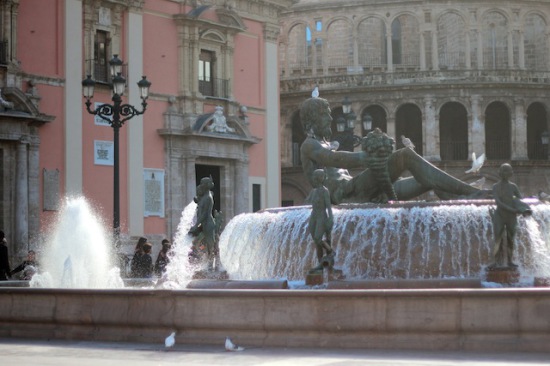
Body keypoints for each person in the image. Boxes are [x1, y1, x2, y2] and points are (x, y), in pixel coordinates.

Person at [299, 97, 488, 204]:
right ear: (313, 118)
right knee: (405, 156)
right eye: (325, 115)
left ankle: (463, 199)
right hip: (350, 193)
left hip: (367, 190)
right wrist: (367, 157)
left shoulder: (324, 141)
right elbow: (334, 159)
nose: (330, 119)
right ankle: (473, 192)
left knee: (426, 179)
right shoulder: (309, 145)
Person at [490, 163, 531, 268]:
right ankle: (495, 261)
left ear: (511, 173)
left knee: (510, 239)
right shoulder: (495, 186)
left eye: (508, 171)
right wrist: (513, 209)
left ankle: (509, 261)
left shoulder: (513, 186)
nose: (506, 173)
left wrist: (521, 207)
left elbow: (519, 199)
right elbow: (498, 202)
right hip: (500, 215)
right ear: (500, 173)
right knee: (497, 238)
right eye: (504, 170)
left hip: (511, 217)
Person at [188, 176, 220, 271]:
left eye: (202, 184)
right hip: (204, 224)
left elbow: (205, 214)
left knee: (211, 245)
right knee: (203, 244)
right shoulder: (204, 197)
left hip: (208, 224)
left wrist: (196, 225)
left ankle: (211, 266)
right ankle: (207, 264)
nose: (201, 185)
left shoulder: (208, 198)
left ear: (206, 185)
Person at [308, 169, 335, 268]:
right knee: (316, 241)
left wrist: (331, 218)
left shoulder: (325, 191)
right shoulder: (314, 191)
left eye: (315, 177)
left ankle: (331, 251)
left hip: (321, 216)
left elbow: (328, 206)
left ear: (320, 178)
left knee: (317, 238)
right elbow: (308, 201)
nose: (313, 179)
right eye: (314, 177)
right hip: (313, 215)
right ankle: (320, 264)